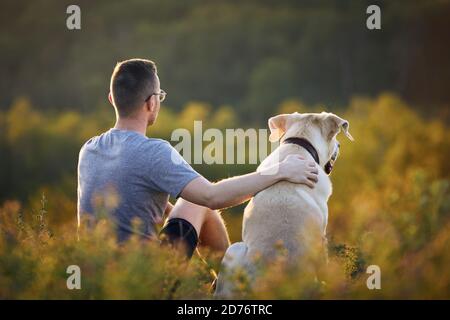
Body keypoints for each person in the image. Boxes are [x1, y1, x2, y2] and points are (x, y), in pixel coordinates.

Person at [77, 58, 318, 259]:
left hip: (96, 275)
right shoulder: (154, 152)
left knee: (190, 202)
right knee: (199, 201)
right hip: (143, 281)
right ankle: (231, 283)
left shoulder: (88, 150)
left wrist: (173, 211)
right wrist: (280, 170)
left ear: (112, 99)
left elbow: (134, 203)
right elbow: (212, 196)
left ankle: (219, 283)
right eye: (159, 96)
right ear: (151, 103)